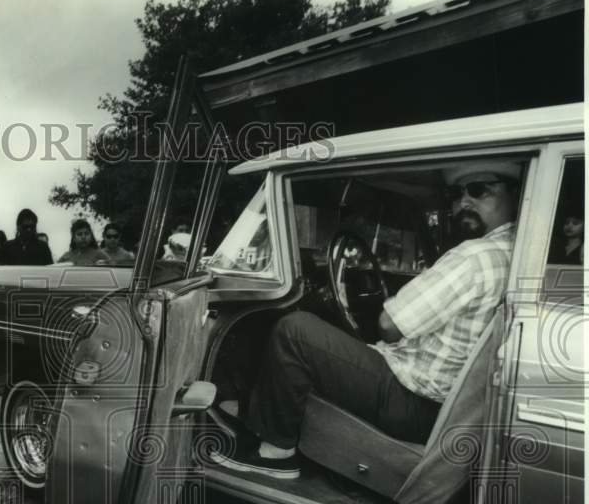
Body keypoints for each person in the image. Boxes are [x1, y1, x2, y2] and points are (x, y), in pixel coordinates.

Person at [211, 160, 521, 480]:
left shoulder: (477, 256)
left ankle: (276, 454)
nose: (463, 201)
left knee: (295, 330)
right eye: (457, 193)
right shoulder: (515, 254)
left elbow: (389, 325)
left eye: (479, 190)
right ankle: (254, 411)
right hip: (446, 405)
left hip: (412, 401)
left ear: (514, 195)